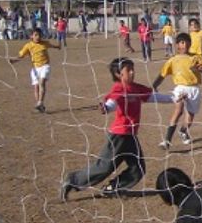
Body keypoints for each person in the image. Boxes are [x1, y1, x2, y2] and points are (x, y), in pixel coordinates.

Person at [60, 58, 175, 201]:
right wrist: (106, 108)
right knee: (104, 167)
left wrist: (175, 98)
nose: (132, 72)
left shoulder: (137, 88)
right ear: (118, 74)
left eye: (133, 69)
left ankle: (112, 188)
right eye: (128, 70)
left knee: (138, 169)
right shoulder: (119, 88)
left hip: (131, 136)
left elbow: (154, 97)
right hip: (118, 136)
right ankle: (73, 180)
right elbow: (112, 102)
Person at [153, 33, 202, 149]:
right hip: (180, 87)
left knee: (190, 116)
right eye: (181, 42)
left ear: (190, 44)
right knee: (179, 109)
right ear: (176, 45)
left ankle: (183, 131)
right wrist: (154, 85)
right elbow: (162, 75)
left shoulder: (197, 57)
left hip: (194, 88)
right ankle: (167, 141)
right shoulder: (173, 60)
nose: (184, 45)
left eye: (186, 42)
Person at [9, 28, 61, 113]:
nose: (38, 37)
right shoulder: (28, 46)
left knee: (42, 82)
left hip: (45, 66)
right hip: (35, 69)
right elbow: (21, 56)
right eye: (36, 35)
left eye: (39, 35)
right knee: (36, 87)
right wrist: (14, 60)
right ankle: (39, 105)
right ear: (31, 36)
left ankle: (40, 102)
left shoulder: (45, 43)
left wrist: (58, 47)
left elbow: (52, 46)